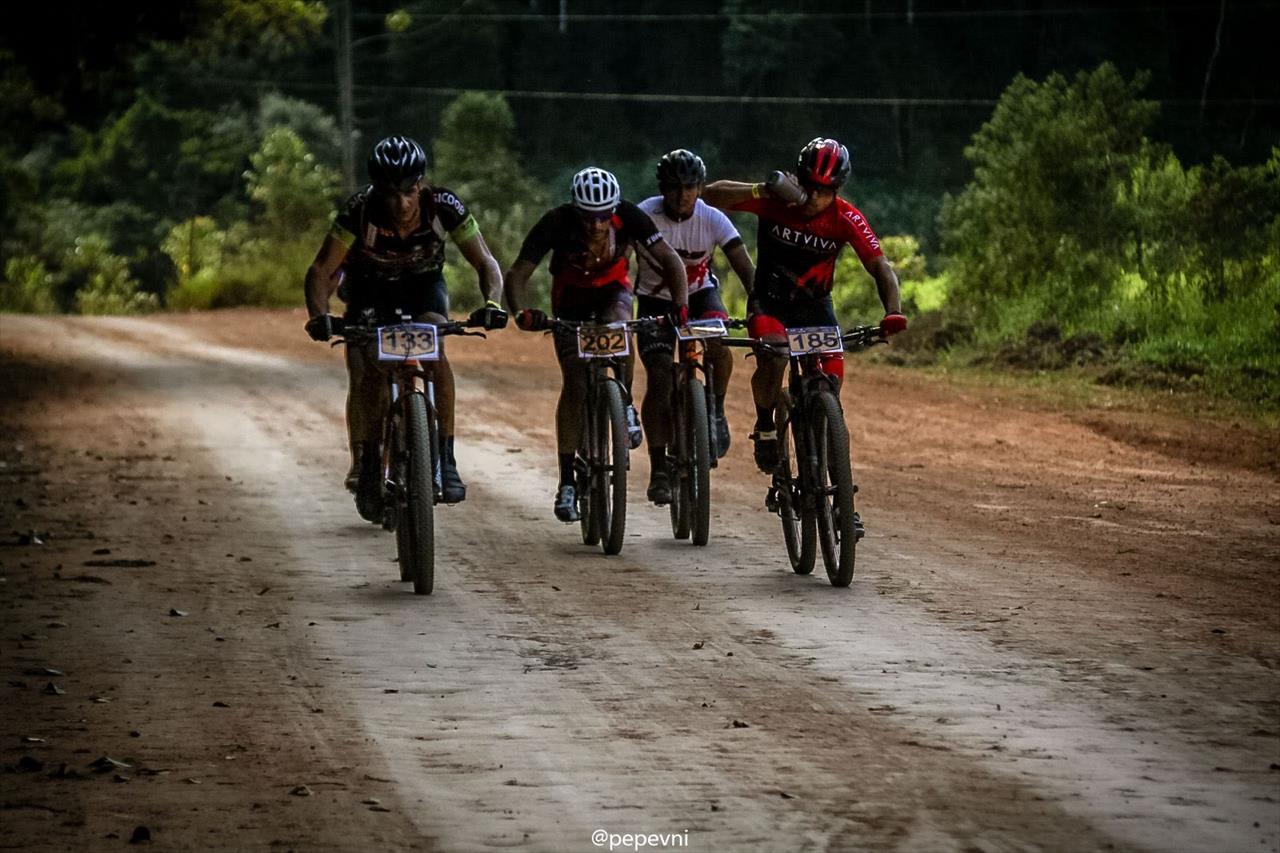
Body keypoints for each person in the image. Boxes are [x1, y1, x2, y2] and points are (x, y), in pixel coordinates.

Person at [303, 136, 507, 520]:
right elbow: (320, 269)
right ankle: (367, 461)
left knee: (436, 354)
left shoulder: (444, 205)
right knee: (369, 371)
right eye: (390, 194)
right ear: (376, 190)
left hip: (423, 288)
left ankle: (445, 458)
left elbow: (486, 262)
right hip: (369, 289)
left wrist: (492, 303)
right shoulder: (358, 211)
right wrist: (319, 315)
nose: (401, 204)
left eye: (409, 192)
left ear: (422, 185)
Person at [702, 137, 908, 473]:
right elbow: (710, 194)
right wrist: (762, 190)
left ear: (837, 190)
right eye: (809, 186)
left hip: (815, 308)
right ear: (797, 179)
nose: (813, 197)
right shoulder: (774, 203)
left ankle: (834, 475)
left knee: (832, 386)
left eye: (823, 191)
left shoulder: (846, 217)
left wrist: (893, 311)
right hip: (769, 303)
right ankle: (766, 425)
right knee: (775, 357)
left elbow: (880, 267)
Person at [504, 166, 690, 522]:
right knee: (574, 382)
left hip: (612, 291)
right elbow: (518, 274)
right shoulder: (556, 222)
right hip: (570, 299)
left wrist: (680, 305)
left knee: (620, 326)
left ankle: (626, 402)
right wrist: (522, 313)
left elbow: (670, 260)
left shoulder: (629, 215)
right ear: (575, 210)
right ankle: (567, 480)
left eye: (603, 216)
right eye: (588, 217)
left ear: (614, 209)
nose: (596, 225)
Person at [633, 149, 755, 505]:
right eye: (674, 187)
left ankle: (715, 410)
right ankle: (659, 467)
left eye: (689, 187)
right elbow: (620, 260)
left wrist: (760, 305)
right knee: (659, 378)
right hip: (655, 301)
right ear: (662, 189)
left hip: (701, 296)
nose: (682, 194)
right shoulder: (644, 215)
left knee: (719, 345)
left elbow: (744, 267)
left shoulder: (713, 218)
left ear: (700, 188)